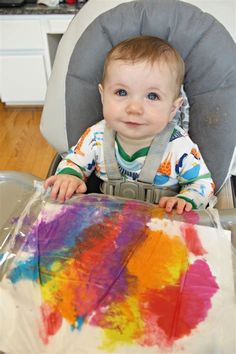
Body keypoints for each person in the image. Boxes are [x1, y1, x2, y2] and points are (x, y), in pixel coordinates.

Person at [44, 36, 215, 214]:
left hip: (161, 225)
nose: (134, 108)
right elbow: (74, 162)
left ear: (173, 108)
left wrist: (185, 200)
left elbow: (202, 183)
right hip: (107, 221)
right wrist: (69, 177)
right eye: (121, 92)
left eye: (152, 96)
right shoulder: (96, 137)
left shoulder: (179, 147)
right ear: (103, 96)